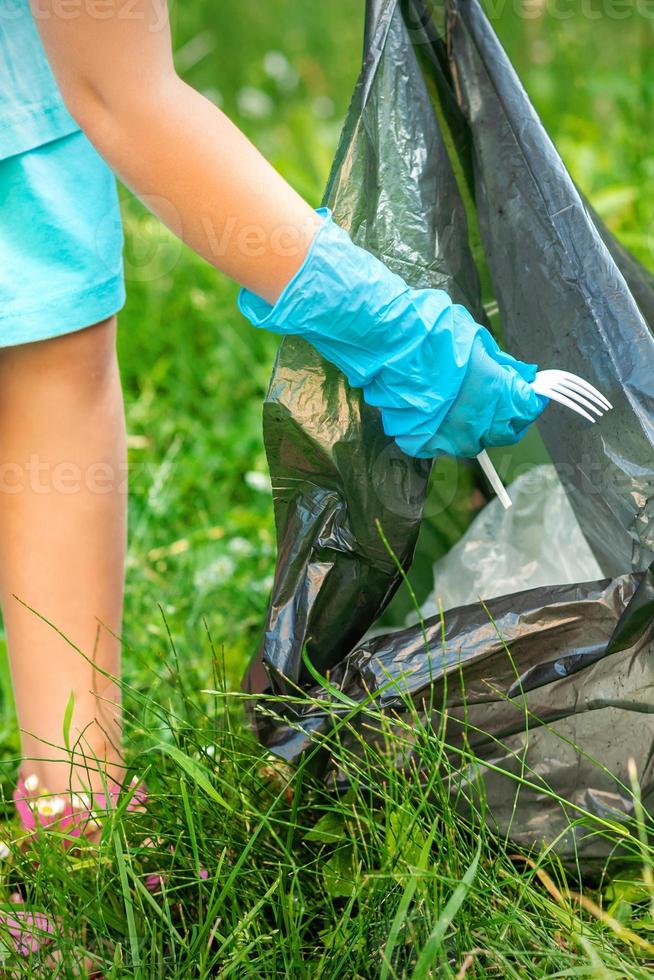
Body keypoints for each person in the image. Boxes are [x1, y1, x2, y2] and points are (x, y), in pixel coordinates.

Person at [0, 0, 544, 841]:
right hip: (68, 75)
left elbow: (103, 86)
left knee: (53, 346)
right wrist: (385, 324)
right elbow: (124, 96)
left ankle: (75, 806)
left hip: (23, 89)